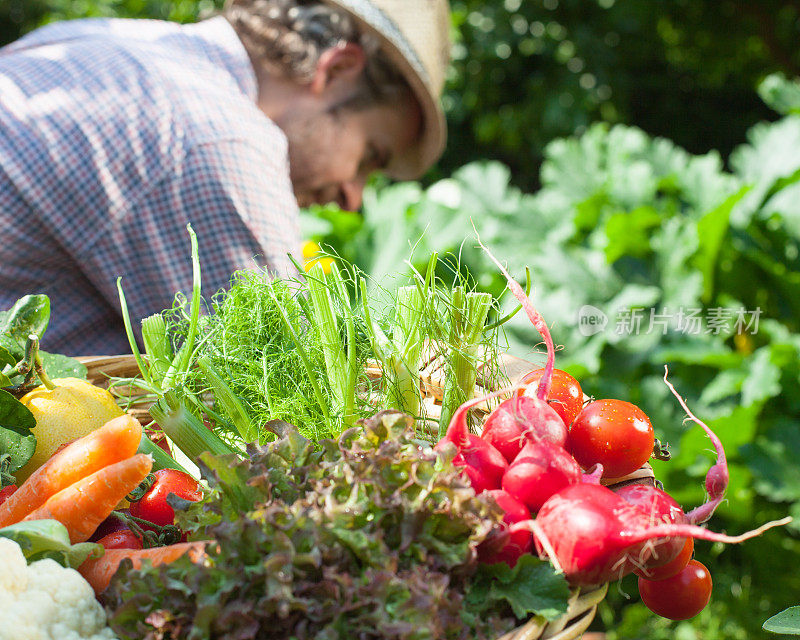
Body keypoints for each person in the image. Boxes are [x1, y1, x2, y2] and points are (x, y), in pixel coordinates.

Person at [0, 0, 450, 355]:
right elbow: (283, 409)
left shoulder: (102, 39)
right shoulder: (218, 140)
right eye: (369, 156)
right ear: (336, 69)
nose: (353, 198)